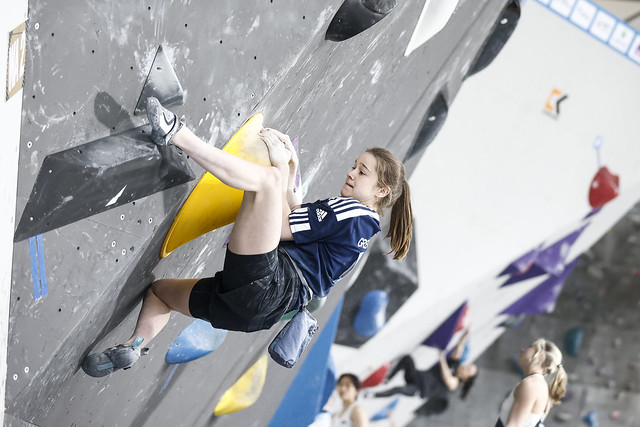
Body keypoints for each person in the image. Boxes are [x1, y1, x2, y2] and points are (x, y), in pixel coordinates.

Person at [82, 97, 413, 377]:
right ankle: (134, 345)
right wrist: (291, 176)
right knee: (160, 293)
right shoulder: (362, 231)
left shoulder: (351, 212)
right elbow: (297, 223)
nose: (351, 173)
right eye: (355, 165)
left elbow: (282, 229)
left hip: (269, 282)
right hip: (256, 313)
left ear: (381, 191)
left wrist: (281, 172)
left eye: (362, 171)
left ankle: (176, 133)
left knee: (266, 181)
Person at [373, 328, 477, 415]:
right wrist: (465, 335)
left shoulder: (455, 383)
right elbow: (459, 348)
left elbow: (448, 379)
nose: (465, 367)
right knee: (407, 359)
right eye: (468, 366)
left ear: (466, 378)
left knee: (398, 389)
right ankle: (387, 379)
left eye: (468, 370)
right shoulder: (454, 364)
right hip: (415, 375)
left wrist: (442, 360)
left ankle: (374, 395)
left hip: (418, 389)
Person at [496, 338, 567, 427]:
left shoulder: (530, 385)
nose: (523, 350)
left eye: (530, 347)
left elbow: (513, 425)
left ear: (541, 354)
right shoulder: (542, 388)